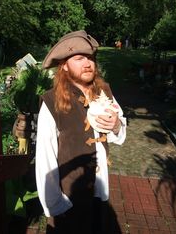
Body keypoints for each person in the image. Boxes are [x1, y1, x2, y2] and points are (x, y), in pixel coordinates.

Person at [35, 30, 126, 234]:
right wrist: (56, 204)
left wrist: (116, 125)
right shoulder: (51, 101)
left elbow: (119, 131)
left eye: (90, 57)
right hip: (69, 199)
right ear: (64, 65)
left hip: (99, 191)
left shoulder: (103, 91)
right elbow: (44, 159)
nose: (87, 63)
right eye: (79, 58)